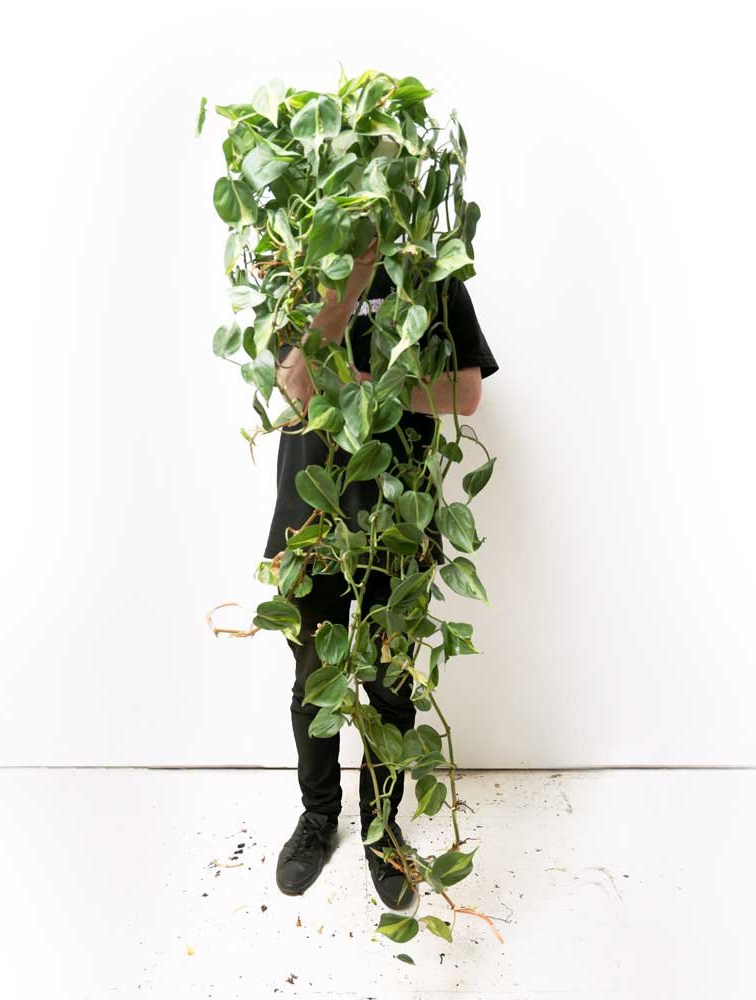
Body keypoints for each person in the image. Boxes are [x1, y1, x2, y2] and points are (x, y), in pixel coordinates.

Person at [264, 238, 500, 908]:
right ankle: (318, 817)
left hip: (399, 521)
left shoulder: (433, 277)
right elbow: (294, 383)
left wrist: (373, 391)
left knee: (390, 689)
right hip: (311, 521)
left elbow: (467, 395)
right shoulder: (298, 268)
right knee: (314, 683)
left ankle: (381, 827)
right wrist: (353, 276)